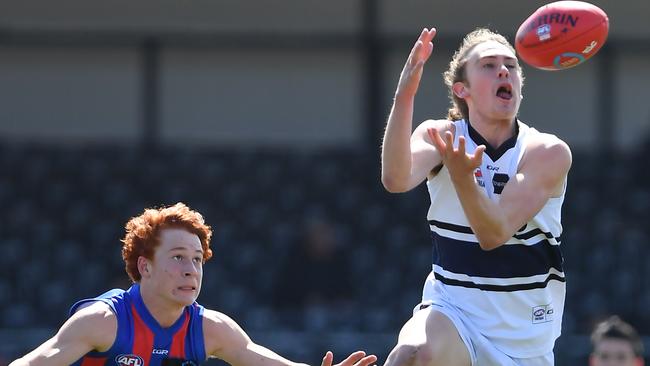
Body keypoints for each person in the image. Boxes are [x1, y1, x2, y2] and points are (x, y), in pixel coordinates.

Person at [380, 27, 572, 366]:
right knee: (411, 355)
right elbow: (396, 179)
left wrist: (462, 177)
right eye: (488, 64)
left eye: (511, 66)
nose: (503, 71)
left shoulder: (547, 151)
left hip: (523, 338)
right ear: (461, 90)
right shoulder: (440, 135)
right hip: (455, 312)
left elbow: (493, 233)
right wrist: (404, 97)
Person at [10, 203, 377, 366]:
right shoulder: (103, 321)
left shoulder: (210, 329)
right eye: (177, 257)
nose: (191, 270)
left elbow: (267, 362)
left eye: (198, 260)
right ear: (145, 266)